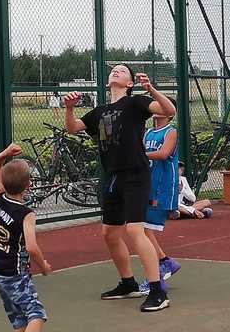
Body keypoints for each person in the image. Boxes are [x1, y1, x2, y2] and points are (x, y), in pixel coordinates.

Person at [64, 64, 176, 312]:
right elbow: (72, 128)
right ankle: (128, 284)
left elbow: (170, 109)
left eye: (123, 71)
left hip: (136, 174)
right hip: (112, 176)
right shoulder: (99, 112)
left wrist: (152, 89)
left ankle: (158, 292)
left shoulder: (136, 103)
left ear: (129, 83)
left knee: (135, 231)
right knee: (109, 233)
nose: (116, 71)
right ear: (108, 82)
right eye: (114, 69)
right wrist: (70, 109)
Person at [0, 143, 51, 332]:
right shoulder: (26, 214)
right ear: (29, 184)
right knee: (36, 315)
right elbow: (32, 247)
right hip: (16, 274)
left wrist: (5, 154)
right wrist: (43, 266)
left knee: (20, 320)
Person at [141, 98, 181, 291]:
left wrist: (138, 154)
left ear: (169, 112)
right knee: (142, 230)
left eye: (161, 105)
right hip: (147, 186)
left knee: (144, 230)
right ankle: (165, 262)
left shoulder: (171, 132)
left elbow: (164, 154)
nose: (156, 107)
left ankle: (157, 277)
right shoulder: (148, 132)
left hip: (162, 188)